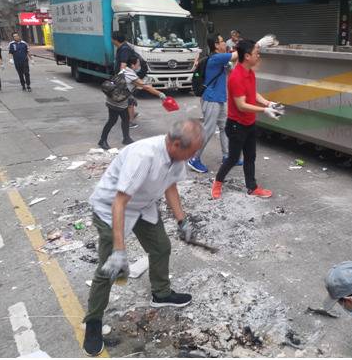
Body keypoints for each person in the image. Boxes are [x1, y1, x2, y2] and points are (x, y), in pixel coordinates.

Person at [83, 119, 204, 357]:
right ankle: (93, 321)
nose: (195, 154)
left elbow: (170, 186)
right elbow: (120, 202)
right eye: (193, 150)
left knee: (161, 247)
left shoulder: (176, 156)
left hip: (142, 206)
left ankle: (161, 293)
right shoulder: (144, 156)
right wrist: (119, 250)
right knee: (109, 268)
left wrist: (183, 220)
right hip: (111, 209)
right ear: (177, 143)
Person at [211, 39, 284, 199]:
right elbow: (241, 105)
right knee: (233, 158)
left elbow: (252, 93)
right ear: (247, 56)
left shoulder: (250, 72)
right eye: (256, 53)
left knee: (250, 157)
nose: (259, 56)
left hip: (250, 123)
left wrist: (268, 102)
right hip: (237, 126)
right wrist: (264, 110)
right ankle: (217, 182)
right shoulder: (236, 77)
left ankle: (252, 187)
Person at [188, 33, 242, 173]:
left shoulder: (221, 59)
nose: (225, 43)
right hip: (211, 99)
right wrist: (247, 46)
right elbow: (237, 55)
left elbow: (232, 68)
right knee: (209, 129)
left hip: (220, 98)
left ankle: (227, 156)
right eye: (222, 41)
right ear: (216, 45)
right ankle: (194, 159)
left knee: (225, 127)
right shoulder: (216, 58)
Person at [98, 56, 168, 150]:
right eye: (138, 64)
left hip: (114, 98)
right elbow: (146, 87)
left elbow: (123, 85)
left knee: (126, 119)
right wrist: (160, 94)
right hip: (117, 101)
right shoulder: (132, 75)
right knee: (112, 120)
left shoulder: (124, 70)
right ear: (133, 65)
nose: (139, 66)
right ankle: (102, 140)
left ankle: (126, 138)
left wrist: (130, 97)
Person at [111, 31, 139, 129]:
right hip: (129, 76)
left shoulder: (124, 49)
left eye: (112, 39)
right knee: (128, 98)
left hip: (127, 77)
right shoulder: (123, 47)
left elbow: (123, 65)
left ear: (115, 40)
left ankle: (131, 121)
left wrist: (119, 80)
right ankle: (132, 114)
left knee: (128, 100)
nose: (111, 41)